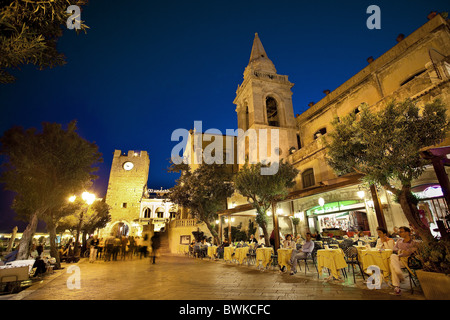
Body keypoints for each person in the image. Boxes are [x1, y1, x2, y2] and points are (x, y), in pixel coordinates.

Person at [389, 226, 418, 296]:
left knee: (392, 265)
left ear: (407, 232)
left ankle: (397, 287)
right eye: (399, 232)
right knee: (393, 256)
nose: (399, 233)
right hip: (399, 259)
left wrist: (400, 252)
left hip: (407, 261)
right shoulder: (399, 241)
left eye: (401, 232)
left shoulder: (414, 243)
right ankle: (398, 272)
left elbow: (408, 252)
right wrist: (401, 251)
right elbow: (394, 249)